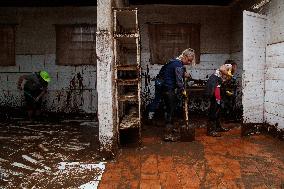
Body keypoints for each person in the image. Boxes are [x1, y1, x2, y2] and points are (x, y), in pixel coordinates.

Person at [160, 48, 195, 140]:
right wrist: (183, 91)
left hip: (166, 88)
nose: (189, 63)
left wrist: (184, 73)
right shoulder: (178, 64)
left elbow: (176, 73)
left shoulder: (175, 62)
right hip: (168, 89)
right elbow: (179, 81)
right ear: (185, 56)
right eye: (189, 60)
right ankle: (167, 135)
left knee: (170, 109)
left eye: (190, 61)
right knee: (170, 111)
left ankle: (170, 130)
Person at [205, 60, 237, 137]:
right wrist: (231, 76)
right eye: (235, 66)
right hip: (214, 85)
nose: (236, 68)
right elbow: (222, 69)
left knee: (219, 107)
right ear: (232, 65)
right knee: (215, 106)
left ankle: (217, 126)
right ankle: (210, 130)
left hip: (217, 86)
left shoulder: (227, 72)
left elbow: (223, 81)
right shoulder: (228, 66)